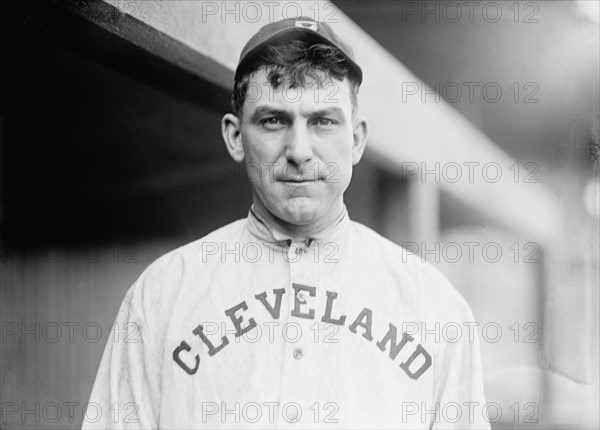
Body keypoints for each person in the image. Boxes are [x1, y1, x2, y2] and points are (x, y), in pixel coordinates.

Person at [84, 17, 489, 429]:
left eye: (323, 121)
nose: (298, 150)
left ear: (356, 139)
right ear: (235, 136)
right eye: (273, 120)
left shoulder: (435, 307)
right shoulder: (162, 295)